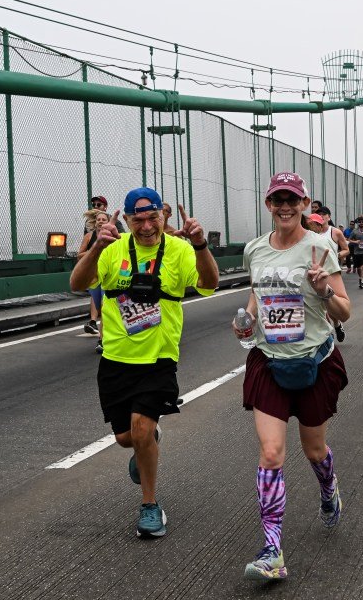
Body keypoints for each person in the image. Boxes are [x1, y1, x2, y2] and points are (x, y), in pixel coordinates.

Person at [70, 187, 219, 539]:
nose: (147, 226)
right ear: (128, 220)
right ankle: (145, 443)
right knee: (126, 437)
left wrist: (200, 245)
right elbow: (77, 284)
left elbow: (209, 283)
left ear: (163, 217)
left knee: (139, 429)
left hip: (159, 357)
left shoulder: (180, 250)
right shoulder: (112, 249)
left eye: (154, 217)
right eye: (139, 219)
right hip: (116, 358)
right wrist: (96, 247)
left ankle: (150, 506)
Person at [234, 172, 350, 581]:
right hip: (268, 360)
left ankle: (328, 487)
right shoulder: (255, 250)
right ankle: (272, 551)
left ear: (304, 204)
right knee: (271, 453)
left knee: (315, 451)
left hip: (314, 361)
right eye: (277, 199)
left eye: (292, 200)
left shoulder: (319, 247)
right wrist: (247, 318)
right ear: (268, 204)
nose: (284, 206)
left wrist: (322, 291)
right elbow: (257, 291)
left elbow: (344, 312)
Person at [83, 195, 124, 336]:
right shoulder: (89, 228)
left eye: (99, 204)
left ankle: (103, 335)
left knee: (106, 300)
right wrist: (93, 251)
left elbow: (122, 242)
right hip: (96, 267)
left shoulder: (115, 223)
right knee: (95, 293)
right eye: (93, 203)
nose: (95, 205)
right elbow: (85, 250)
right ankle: (93, 321)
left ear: (105, 207)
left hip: (111, 266)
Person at [78, 211, 110, 353]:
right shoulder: (89, 236)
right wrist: (95, 249)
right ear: (95, 222)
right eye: (99, 219)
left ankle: (102, 340)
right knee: (99, 307)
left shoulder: (112, 237)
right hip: (94, 277)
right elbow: (79, 255)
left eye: (104, 219)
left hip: (108, 276)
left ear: (108, 222)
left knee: (104, 308)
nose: (101, 221)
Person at [316, 207, 350, 343]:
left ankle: (336, 324)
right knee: (318, 303)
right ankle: (326, 332)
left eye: (324, 215)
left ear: (329, 217)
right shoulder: (311, 232)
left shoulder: (335, 232)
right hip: (316, 270)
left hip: (331, 270)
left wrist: (337, 255)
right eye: (318, 215)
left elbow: (346, 250)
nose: (321, 217)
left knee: (330, 300)